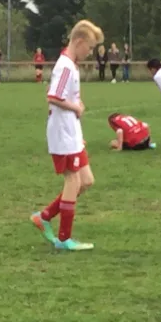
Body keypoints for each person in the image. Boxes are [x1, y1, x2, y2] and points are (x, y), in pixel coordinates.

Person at [30, 19, 104, 251]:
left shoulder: (70, 65)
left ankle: (44, 216)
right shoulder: (65, 66)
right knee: (73, 180)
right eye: (89, 47)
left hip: (71, 131)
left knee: (86, 181)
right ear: (79, 42)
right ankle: (64, 239)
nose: (90, 53)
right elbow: (53, 97)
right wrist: (76, 108)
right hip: (62, 133)